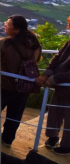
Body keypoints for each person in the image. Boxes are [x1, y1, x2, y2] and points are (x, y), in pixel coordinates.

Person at [0, 15, 42, 147]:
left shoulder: (5, 43)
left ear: (16, 30)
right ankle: (7, 140)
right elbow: (36, 61)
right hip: (24, 85)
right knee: (15, 114)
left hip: (5, 83)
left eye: (8, 24)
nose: (5, 26)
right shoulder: (35, 43)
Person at [37, 26, 70, 155]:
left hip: (64, 84)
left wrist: (55, 78)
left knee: (69, 117)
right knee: (55, 111)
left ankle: (67, 146)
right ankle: (53, 137)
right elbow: (57, 58)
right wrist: (46, 74)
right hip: (61, 85)